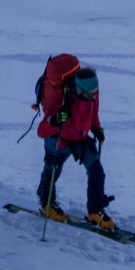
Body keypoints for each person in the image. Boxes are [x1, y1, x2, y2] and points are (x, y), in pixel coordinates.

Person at [36, 65, 115, 229]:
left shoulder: (92, 92)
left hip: (80, 138)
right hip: (58, 139)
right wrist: (54, 121)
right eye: (90, 95)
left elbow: (93, 113)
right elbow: (41, 130)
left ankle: (95, 210)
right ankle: (47, 205)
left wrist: (97, 129)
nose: (93, 97)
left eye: (95, 93)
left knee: (97, 172)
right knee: (52, 173)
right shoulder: (59, 98)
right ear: (79, 89)